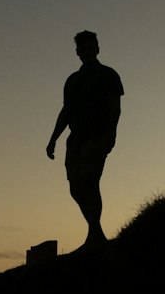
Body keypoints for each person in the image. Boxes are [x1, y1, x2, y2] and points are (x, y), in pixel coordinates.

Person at [46, 31, 123, 250]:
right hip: (76, 138)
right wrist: (53, 139)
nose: (87, 52)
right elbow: (66, 111)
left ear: (97, 49)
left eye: (91, 48)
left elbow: (115, 108)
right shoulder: (73, 80)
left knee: (90, 180)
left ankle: (94, 235)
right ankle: (95, 232)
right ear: (78, 52)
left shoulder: (108, 75)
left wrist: (111, 135)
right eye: (83, 49)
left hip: (97, 135)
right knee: (75, 187)